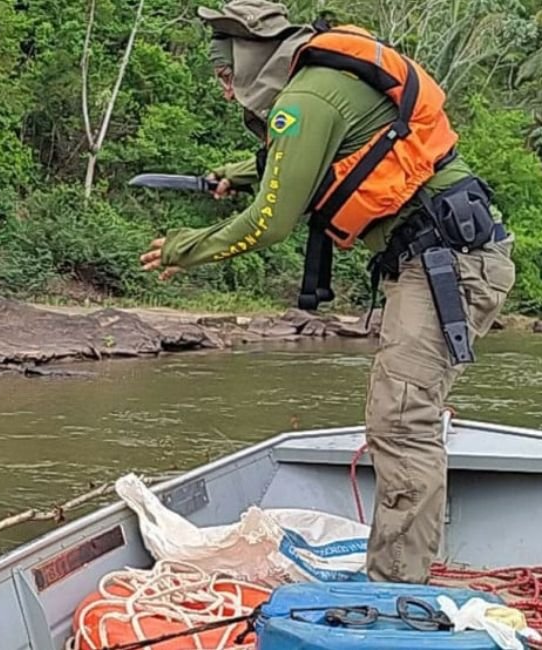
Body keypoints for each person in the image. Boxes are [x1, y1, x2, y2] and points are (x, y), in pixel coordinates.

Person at [139, 0, 516, 585]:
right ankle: (399, 573)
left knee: (400, 423)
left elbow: (271, 223)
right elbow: (323, 158)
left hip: (449, 264)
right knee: (397, 418)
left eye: (224, 75)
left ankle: (395, 593)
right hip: (435, 260)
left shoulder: (306, 98)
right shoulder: (316, 86)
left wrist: (184, 248)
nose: (224, 90)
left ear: (251, 58)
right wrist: (238, 175)